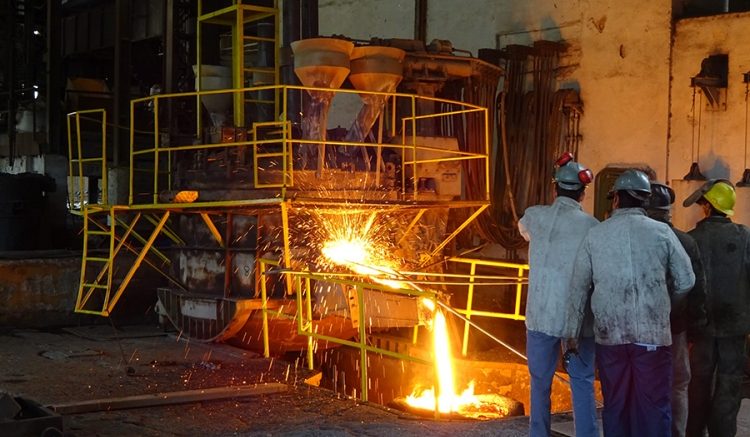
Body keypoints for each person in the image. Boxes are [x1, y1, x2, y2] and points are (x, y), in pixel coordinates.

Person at [569, 169, 695, 437]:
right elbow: (686, 281)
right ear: (645, 200)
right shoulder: (662, 233)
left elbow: (579, 288)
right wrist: (663, 307)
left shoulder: (596, 235)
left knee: (616, 405)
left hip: (610, 337)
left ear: (616, 200)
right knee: (654, 406)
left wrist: (571, 334)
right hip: (653, 338)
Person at [518, 153, 599, 437]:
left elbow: (523, 230)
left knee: (540, 382)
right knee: (582, 380)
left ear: (555, 189)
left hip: (541, 315)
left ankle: (539, 433)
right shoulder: (592, 226)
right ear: (583, 193)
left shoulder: (534, 216)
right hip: (578, 320)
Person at [683, 179, 750, 437]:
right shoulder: (745, 237)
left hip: (700, 329)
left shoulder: (690, 240)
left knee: (698, 383)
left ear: (707, 207)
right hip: (735, 327)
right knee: (730, 383)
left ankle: (694, 431)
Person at [644, 182, 707, 437]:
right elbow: (697, 290)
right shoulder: (686, 241)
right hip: (677, 327)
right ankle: (676, 433)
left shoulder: (641, 240)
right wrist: (695, 330)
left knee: (647, 384)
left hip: (643, 328)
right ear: (668, 211)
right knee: (678, 384)